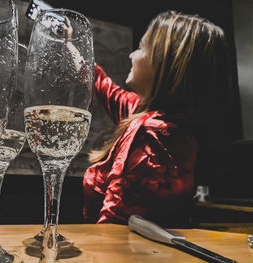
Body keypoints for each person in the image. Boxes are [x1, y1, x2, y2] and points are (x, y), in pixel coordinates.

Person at [83, 10, 233, 226]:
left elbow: (114, 228)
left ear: (167, 64)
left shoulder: (152, 134)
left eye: (142, 47)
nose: (131, 55)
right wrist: (72, 45)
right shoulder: (159, 121)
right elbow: (106, 89)